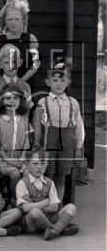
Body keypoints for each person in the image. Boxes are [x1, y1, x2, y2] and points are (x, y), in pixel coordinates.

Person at [33, 65, 84, 201]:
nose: (59, 84)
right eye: (55, 80)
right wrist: (37, 145)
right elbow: (37, 125)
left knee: (61, 176)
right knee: (48, 174)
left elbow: (79, 126)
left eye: (62, 81)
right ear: (48, 82)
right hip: (48, 142)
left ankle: (57, 204)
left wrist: (79, 147)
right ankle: (47, 202)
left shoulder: (73, 103)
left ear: (68, 82)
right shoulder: (42, 102)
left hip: (67, 144)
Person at [16, 148, 79, 240]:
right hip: (32, 222)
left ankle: (53, 231)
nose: (39, 167)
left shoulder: (49, 183)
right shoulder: (22, 183)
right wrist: (46, 202)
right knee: (35, 212)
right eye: (35, 163)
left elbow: (55, 207)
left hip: (49, 216)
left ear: (47, 165)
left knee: (71, 207)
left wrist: (34, 205)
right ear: (27, 164)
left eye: (43, 163)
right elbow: (26, 208)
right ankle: (57, 228)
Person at [0, 83, 33, 203]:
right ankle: (15, 199)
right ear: (2, 100)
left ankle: (26, 198)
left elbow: (27, 141)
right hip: (3, 158)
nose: (12, 101)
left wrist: (23, 156)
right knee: (15, 175)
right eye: (8, 98)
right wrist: (8, 159)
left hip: (21, 157)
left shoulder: (24, 119)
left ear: (20, 101)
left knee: (28, 173)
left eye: (15, 98)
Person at [0, 0, 39, 87]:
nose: (13, 22)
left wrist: (22, 81)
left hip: (26, 83)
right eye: (10, 19)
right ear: (5, 20)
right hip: (4, 85)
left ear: (23, 20)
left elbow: (36, 63)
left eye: (17, 19)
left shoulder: (30, 39)